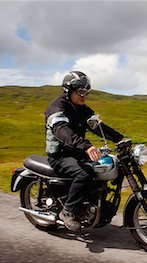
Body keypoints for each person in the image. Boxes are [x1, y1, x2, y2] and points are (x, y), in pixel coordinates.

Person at [45, 71, 125, 231]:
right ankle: (68, 211)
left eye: (86, 92)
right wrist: (86, 146)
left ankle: (93, 203)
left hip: (75, 153)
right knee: (84, 173)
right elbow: (62, 131)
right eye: (80, 91)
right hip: (60, 155)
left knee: (103, 167)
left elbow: (97, 126)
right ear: (69, 90)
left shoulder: (82, 109)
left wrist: (120, 138)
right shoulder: (57, 108)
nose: (84, 95)